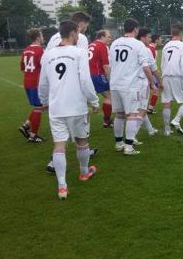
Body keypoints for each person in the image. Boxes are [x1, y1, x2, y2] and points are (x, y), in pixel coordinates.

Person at [38, 20, 100, 200]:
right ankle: (83, 173)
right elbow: (85, 81)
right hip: (77, 107)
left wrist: (43, 101)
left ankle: (62, 186)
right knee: (82, 140)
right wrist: (94, 101)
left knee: (59, 145)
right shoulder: (79, 53)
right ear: (73, 34)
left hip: (56, 107)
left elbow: (43, 83)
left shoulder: (48, 55)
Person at [109, 18, 157, 156]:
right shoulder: (138, 44)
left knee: (119, 114)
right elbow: (146, 67)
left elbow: (111, 64)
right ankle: (129, 147)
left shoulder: (114, 43)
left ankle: (119, 143)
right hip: (129, 84)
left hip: (115, 83)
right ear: (135, 29)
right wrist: (152, 83)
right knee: (132, 114)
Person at [160, 25, 183, 135]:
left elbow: (162, 64)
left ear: (172, 33)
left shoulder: (166, 46)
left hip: (166, 76)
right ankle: (176, 120)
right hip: (178, 76)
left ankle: (167, 130)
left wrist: (161, 79)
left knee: (167, 103)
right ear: (181, 34)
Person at [19, 28, 46, 143]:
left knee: (40, 107)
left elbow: (22, 68)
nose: (43, 37)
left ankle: (26, 125)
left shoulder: (25, 50)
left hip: (27, 81)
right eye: (42, 35)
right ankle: (33, 135)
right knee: (39, 108)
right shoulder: (40, 51)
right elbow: (45, 68)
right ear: (38, 38)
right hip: (36, 83)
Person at [136, 28, 160, 139]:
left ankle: (150, 130)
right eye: (149, 37)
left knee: (140, 108)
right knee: (140, 110)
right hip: (141, 82)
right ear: (143, 37)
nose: (150, 39)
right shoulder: (146, 49)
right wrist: (155, 82)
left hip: (129, 82)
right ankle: (131, 139)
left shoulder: (133, 47)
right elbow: (150, 68)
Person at [88, 29, 114, 128]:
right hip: (97, 75)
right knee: (109, 97)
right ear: (102, 37)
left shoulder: (90, 45)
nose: (110, 39)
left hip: (88, 75)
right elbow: (106, 66)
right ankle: (107, 121)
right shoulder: (102, 46)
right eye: (108, 37)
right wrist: (110, 80)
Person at [147, 34, 162, 114]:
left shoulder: (150, 48)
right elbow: (150, 64)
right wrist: (155, 72)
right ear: (156, 40)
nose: (161, 40)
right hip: (149, 74)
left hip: (147, 73)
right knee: (155, 90)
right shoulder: (152, 49)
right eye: (160, 39)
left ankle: (149, 108)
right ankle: (150, 108)